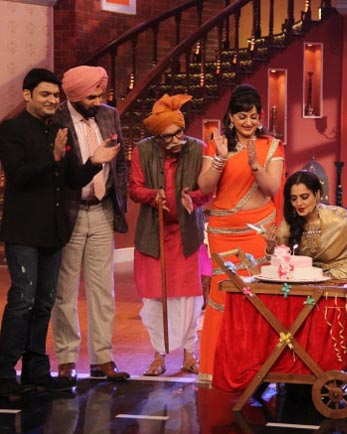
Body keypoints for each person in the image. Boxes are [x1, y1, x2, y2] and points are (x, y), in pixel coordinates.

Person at [0, 68, 119, 397]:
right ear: (27, 96)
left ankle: (37, 371)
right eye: (45, 94)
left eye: (55, 95)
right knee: (23, 301)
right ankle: (5, 373)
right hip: (24, 230)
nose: (52, 100)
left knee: (44, 302)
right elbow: (19, 176)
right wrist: (52, 157)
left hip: (54, 231)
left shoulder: (57, 129)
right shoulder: (11, 129)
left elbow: (71, 180)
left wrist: (94, 162)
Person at [197, 84, 285, 386]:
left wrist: (255, 166)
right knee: (222, 296)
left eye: (254, 116)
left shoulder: (271, 146)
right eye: (242, 116)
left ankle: (254, 369)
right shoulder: (217, 145)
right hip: (222, 232)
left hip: (258, 231)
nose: (249, 122)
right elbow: (205, 188)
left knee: (254, 297)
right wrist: (221, 159)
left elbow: (273, 188)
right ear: (231, 118)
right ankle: (217, 369)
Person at [50, 65, 129, 382]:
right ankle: (67, 359)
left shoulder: (109, 115)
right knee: (65, 290)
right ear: (74, 96)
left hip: (101, 210)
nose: (99, 101)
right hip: (69, 213)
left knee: (103, 289)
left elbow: (120, 163)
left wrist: (117, 198)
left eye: (101, 95)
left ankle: (103, 358)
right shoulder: (56, 118)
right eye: (92, 97)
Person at [129, 93, 212, 376]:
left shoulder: (198, 149)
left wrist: (195, 198)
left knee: (189, 299)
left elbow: (208, 190)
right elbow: (134, 188)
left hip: (187, 237)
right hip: (154, 236)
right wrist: (153, 196)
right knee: (156, 299)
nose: (177, 141)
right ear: (157, 138)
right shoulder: (142, 151)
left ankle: (189, 354)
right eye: (168, 137)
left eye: (180, 133)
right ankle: (159, 355)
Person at [264, 170, 347, 279]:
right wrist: (271, 248)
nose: (299, 203)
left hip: (337, 276)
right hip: (302, 278)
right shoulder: (288, 223)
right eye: (294, 199)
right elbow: (281, 263)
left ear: (318, 194)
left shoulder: (338, 219)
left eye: (304, 197)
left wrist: (322, 276)